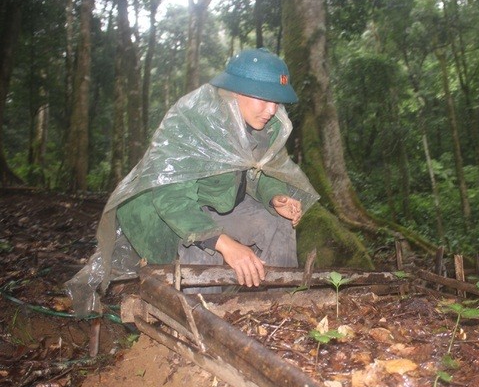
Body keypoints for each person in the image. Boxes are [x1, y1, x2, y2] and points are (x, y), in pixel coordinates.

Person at [66, 48, 319, 316]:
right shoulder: (193, 120)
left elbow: (260, 171)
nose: (271, 110)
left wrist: (274, 196)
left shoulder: (267, 127)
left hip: (222, 202)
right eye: (264, 99)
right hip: (172, 214)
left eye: (277, 102)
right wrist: (226, 244)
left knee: (277, 224)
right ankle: (205, 321)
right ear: (236, 91)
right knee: (202, 252)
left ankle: (279, 310)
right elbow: (171, 199)